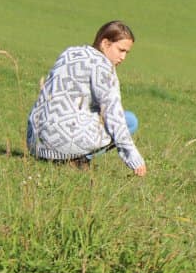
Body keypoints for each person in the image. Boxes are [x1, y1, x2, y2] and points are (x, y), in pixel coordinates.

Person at [26, 20, 147, 176]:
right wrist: (134, 158)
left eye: (126, 53)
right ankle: (77, 160)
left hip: (35, 141)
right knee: (129, 120)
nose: (123, 57)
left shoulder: (70, 52)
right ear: (105, 43)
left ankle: (68, 156)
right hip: (60, 144)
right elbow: (113, 115)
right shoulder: (103, 67)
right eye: (121, 50)